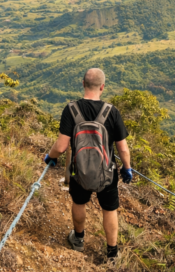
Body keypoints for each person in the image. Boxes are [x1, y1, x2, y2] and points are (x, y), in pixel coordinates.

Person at [44, 68, 133, 261]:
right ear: (102, 87)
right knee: (109, 209)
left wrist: (50, 157)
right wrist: (127, 168)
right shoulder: (112, 112)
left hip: (79, 171)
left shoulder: (71, 109)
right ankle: (112, 254)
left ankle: (78, 240)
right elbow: (123, 149)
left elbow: (61, 146)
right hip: (107, 172)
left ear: (83, 83)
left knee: (79, 203)